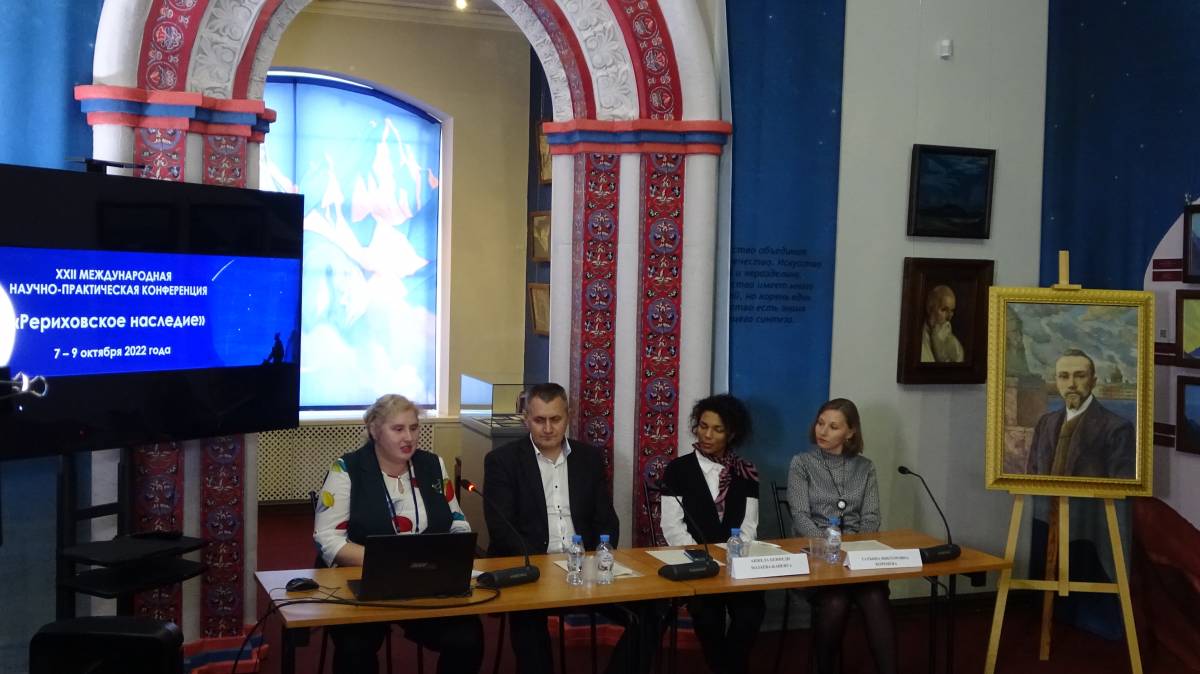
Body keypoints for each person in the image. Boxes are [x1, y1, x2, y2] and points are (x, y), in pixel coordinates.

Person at [483, 382, 655, 674]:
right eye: (539, 420)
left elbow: (606, 520)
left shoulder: (589, 459)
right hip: (532, 568)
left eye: (555, 419)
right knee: (528, 622)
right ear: (526, 419)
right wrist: (542, 567)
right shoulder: (503, 461)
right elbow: (502, 529)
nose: (548, 428)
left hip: (584, 565)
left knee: (651, 611)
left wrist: (598, 557)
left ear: (568, 416)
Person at [313, 394, 484, 674]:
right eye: (398, 429)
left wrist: (454, 551)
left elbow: (457, 522)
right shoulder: (347, 469)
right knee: (355, 649)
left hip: (426, 583)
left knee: (468, 638)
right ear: (374, 430)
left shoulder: (433, 465)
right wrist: (385, 561)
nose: (409, 437)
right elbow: (327, 538)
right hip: (362, 582)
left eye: (414, 428)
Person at [787, 398, 895, 674]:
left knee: (874, 595)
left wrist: (851, 552)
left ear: (850, 432)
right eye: (820, 423)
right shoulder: (802, 463)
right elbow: (800, 517)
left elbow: (871, 518)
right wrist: (831, 548)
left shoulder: (865, 467)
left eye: (833, 427)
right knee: (835, 601)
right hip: (816, 558)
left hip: (856, 560)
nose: (823, 431)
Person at [659, 394, 764, 674]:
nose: (707, 435)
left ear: (732, 434)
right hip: (697, 565)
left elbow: (749, 525)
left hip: (735, 563)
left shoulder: (746, 472)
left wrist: (731, 557)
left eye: (717, 429)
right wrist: (703, 558)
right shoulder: (678, 469)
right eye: (703, 426)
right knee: (708, 618)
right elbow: (672, 526)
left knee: (752, 613)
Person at [1024, 348, 1135, 478]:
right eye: (1064, 376)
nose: (1071, 384)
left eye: (1080, 376)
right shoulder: (1045, 423)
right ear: (1057, 381)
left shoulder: (1118, 429)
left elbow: (1121, 486)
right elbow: (1031, 477)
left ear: (1093, 382)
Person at [920, 284, 964, 363]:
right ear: (929, 308)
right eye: (944, 310)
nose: (949, 318)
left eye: (952, 311)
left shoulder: (956, 346)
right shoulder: (917, 341)